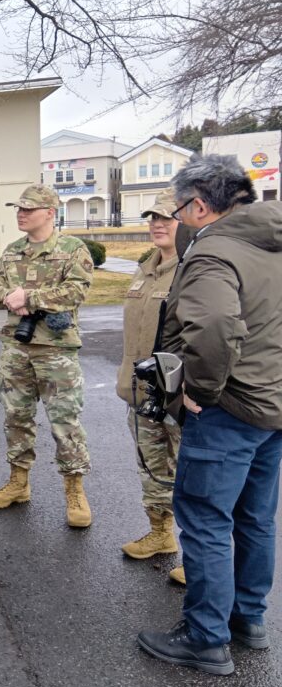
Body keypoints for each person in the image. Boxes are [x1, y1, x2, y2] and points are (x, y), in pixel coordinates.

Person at [138, 155, 282, 676]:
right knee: (256, 519)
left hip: (228, 410)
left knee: (205, 520)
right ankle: (248, 620)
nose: (177, 220)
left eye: (179, 210)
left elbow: (215, 324)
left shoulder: (213, 253)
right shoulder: (271, 244)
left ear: (199, 206)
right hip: (272, 407)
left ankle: (205, 638)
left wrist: (198, 390)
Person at [0, 183, 95, 528]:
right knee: (16, 417)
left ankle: (75, 491)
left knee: (65, 422)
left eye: (28, 209)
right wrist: (9, 297)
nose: (21, 214)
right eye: (19, 208)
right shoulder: (13, 251)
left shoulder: (72, 249)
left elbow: (76, 291)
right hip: (16, 349)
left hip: (56, 350)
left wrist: (28, 298)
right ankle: (18, 483)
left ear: (49, 212)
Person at [115, 192, 185, 583]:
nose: (157, 224)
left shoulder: (193, 268)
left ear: (186, 223)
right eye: (152, 218)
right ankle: (160, 533)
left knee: (190, 473)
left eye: (166, 218)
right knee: (152, 466)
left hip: (177, 395)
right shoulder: (145, 269)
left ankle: (200, 555)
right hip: (141, 391)